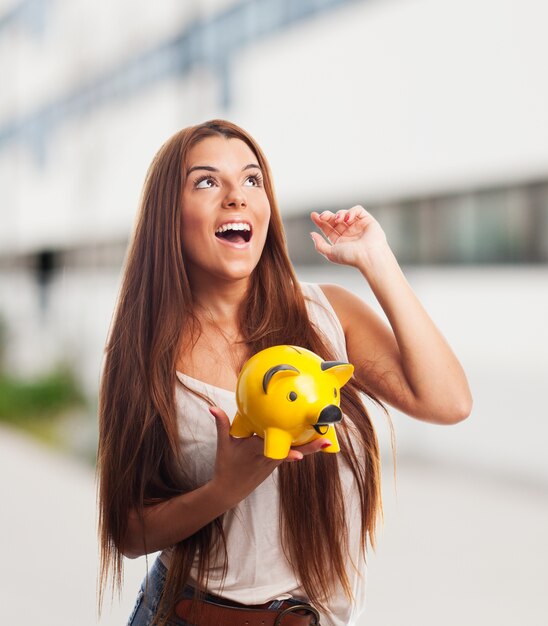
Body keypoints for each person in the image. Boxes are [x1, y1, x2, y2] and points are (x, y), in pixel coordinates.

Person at [97, 119, 472, 626]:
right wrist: (225, 488)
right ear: (169, 215)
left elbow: (448, 402)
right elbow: (128, 532)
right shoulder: (143, 355)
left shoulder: (326, 316)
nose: (236, 197)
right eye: (207, 182)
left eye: (252, 180)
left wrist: (376, 261)